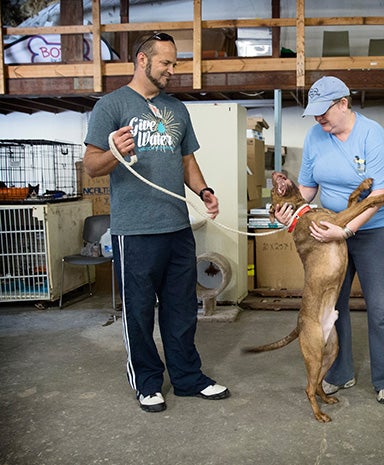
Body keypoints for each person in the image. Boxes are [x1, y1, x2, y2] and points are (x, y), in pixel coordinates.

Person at [83, 32, 230, 413]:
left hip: (177, 227)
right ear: (142, 61)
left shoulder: (176, 109)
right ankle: (148, 382)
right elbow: (91, 166)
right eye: (166, 62)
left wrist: (204, 190)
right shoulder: (111, 106)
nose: (172, 70)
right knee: (139, 310)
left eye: (174, 63)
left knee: (181, 308)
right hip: (136, 230)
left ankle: (187, 377)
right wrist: (114, 152)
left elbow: (186, 161)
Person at [274, 76, 384, 404]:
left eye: (325, 111)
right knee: (332, 305)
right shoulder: (315, 136)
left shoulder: (371, 134)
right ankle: (339, 371)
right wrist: (288, 211)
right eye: (315, 112)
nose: (319, 118)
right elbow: (307, 188)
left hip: (377, 226)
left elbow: (379, 195)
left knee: (381, 304)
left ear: (343, 104)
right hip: (330, 231)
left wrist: (346, 230)